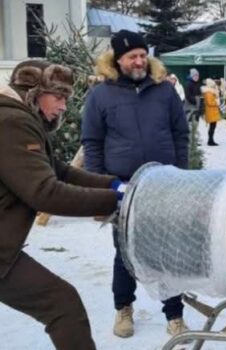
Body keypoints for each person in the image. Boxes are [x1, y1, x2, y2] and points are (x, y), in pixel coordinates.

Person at [0, 59, 123, 350]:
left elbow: (60, 171)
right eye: (58, 96)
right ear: (33, 92)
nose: (64, 106)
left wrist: (115, 185)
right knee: (63, 305)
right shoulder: (13, 122)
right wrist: (116, 200)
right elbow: (45, 193)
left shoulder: (20, 118)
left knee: (62, 303)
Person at [81, 29, 190, 339]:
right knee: (125, 251)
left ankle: (175, 315)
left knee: (166, 250)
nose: (140, 60)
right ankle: (124, 308)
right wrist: (100, 186)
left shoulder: (164, 91)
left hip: (163, 182)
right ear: (118, 60)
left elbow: (180, 133)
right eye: (132, 56)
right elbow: (92, 142)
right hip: (122, 187)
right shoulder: (101, 95)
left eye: (143, 55)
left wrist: (180, 174)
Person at [201, 78, 222, 146]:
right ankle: (210, 140)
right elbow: (209, 102)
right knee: (212, 127)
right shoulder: (208, 92)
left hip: (212, 111)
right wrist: (216, 102)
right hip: (211, 111)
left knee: (213, 126)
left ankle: (211, 139)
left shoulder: (210, 92)